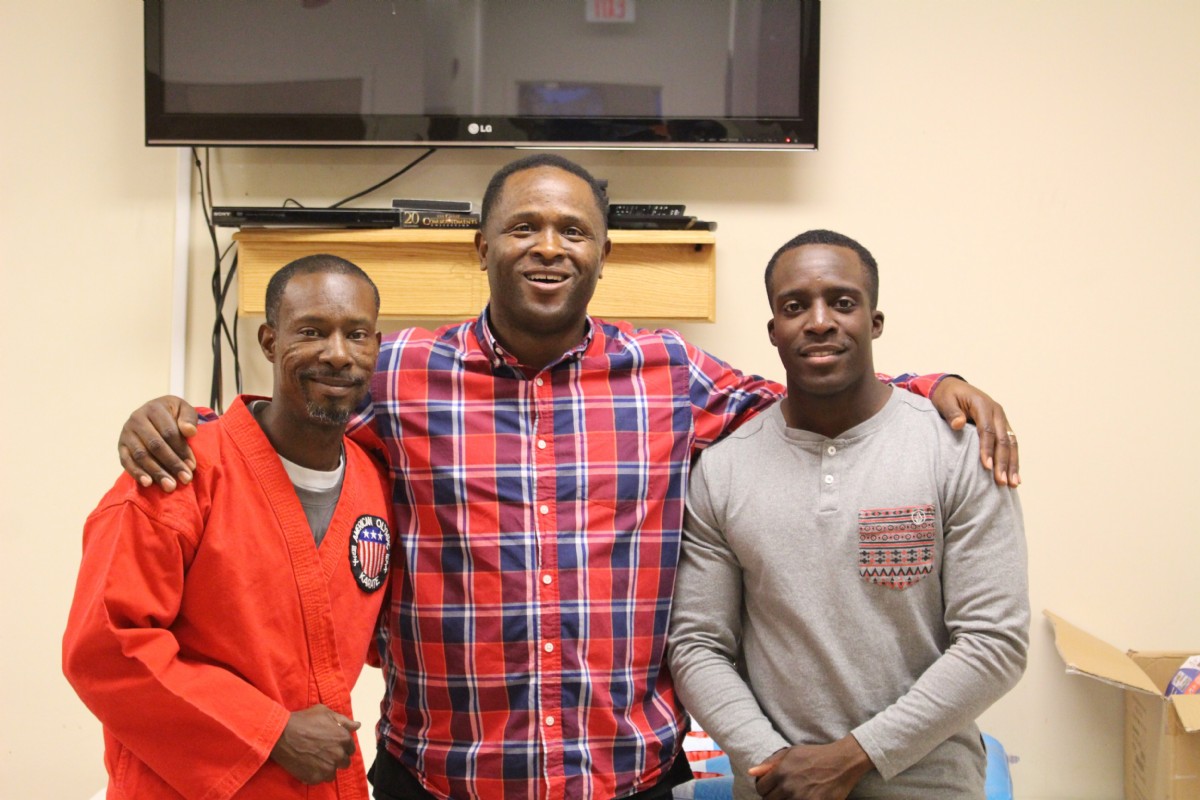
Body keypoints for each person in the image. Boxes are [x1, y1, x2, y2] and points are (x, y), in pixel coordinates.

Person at [114, 155, 1020, 800]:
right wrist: (175, 417)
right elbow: (288, 423)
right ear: (481, 247)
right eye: (524, 227)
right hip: (443, 775)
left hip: (625, 776)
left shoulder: (670, 372)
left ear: (602, 253)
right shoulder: (401, 373)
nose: (548, 247)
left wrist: (929, 385)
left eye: (573, 230)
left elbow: (807, 394)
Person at [667, 230, 1029, 799]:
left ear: (874, 321)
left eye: (842, 302)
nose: (819, 322)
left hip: (929, 788)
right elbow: (696, 645)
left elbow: (994, 642)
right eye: (795, 307)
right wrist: (771, 762)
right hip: (777, 789)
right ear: (773, 330)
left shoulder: (959, 450)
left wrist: (852, 757)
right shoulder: (722, 469)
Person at [64, 256, 393, 799]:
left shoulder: (375, 484)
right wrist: (270, 732)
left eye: (356, 334)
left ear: (376, 346)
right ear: (269, 341)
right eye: (311, 331)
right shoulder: (179, 469)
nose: (337, 353)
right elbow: (105, 647)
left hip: (317, 786)